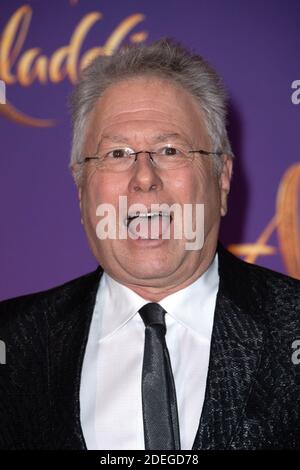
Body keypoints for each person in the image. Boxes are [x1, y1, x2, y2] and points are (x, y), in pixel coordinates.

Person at [0, 38, 299, 451]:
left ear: (223, 178)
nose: (143, 177)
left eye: (170, 149)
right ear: (80, 187)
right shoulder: (11, 345)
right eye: (118, 152)